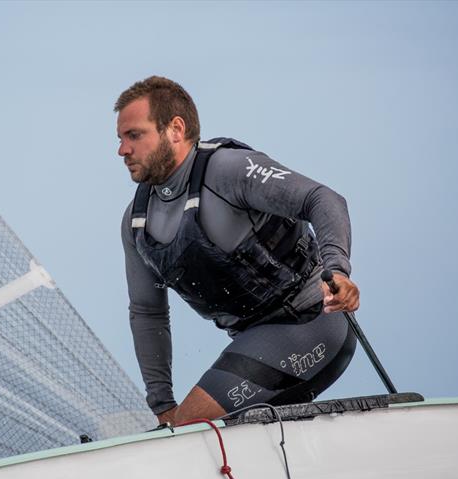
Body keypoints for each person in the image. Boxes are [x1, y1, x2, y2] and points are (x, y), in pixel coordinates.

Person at [116, 76, 360, 426]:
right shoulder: (136, 223)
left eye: (134, 135)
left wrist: (337, 270)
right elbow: (147, 313)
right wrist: (162, 403)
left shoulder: (229, 170)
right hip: (255, 343)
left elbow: (322, 199)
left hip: (312, 325)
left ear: (175, 128)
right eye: (121, 139)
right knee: (176, 430)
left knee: (188, 428)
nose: (122, 150)